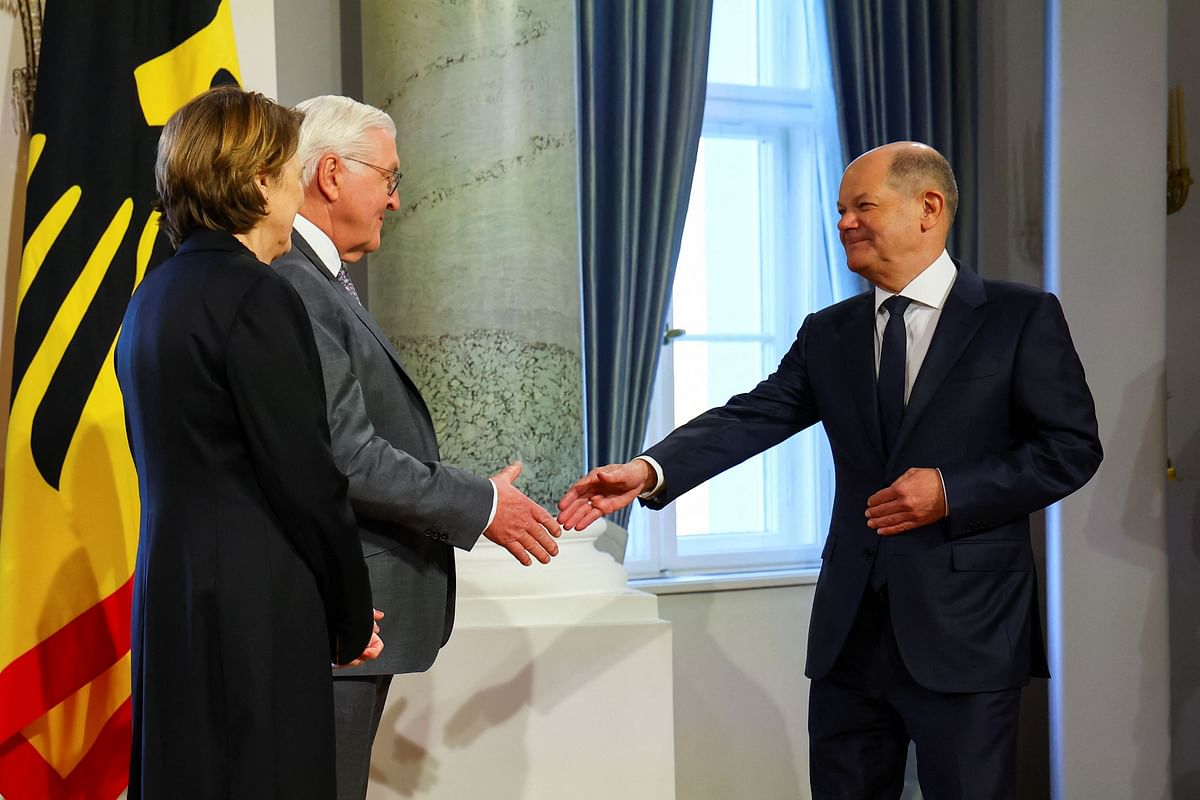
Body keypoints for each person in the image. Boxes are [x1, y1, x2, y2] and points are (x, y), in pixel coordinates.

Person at [558, 141, 1103, 799]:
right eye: (840, 209)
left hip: (970, 633)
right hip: (850, 641)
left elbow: (1070, 449)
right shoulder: (829, 332)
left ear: (928, 208)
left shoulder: (1020, 317)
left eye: (861, 206)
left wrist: (953, 491)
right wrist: (650, 470)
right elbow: (752, 415)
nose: (843, 222)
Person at [271, 94, 563, 800]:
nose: (396, 203)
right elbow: (347, 455)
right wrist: (480, 502)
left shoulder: (319, 281)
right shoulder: (295, 284)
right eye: (390, 179)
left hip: (351, 614)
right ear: (333, 174)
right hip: (336, 612)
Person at [115, 86, 383, 799]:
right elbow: (306, 477)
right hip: (254, 613)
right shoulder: (258, 295)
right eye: (292, 171)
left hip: (172, 595)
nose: (301, 186)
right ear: (258, 181)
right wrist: (348, 614)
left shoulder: (153, 296)